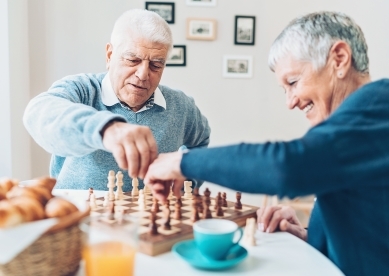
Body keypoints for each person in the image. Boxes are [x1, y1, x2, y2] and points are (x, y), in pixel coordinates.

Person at [144, 11, 389, 275]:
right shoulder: (359, 121)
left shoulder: (377, 111)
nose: (291, 102)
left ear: (339, 59)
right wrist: (309, 235)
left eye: (293, 82)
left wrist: (179, 162)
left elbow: (286, 165)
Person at [23, 9, 210, 191]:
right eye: (132, 60)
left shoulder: (181, 106)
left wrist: (186, 178)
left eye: (155, 65)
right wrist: (106, 128)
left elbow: (201, 143)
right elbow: (38, 112)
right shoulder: (82, 90)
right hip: (83, 216)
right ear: (110, 55)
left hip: (152, 219)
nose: (143, 74)